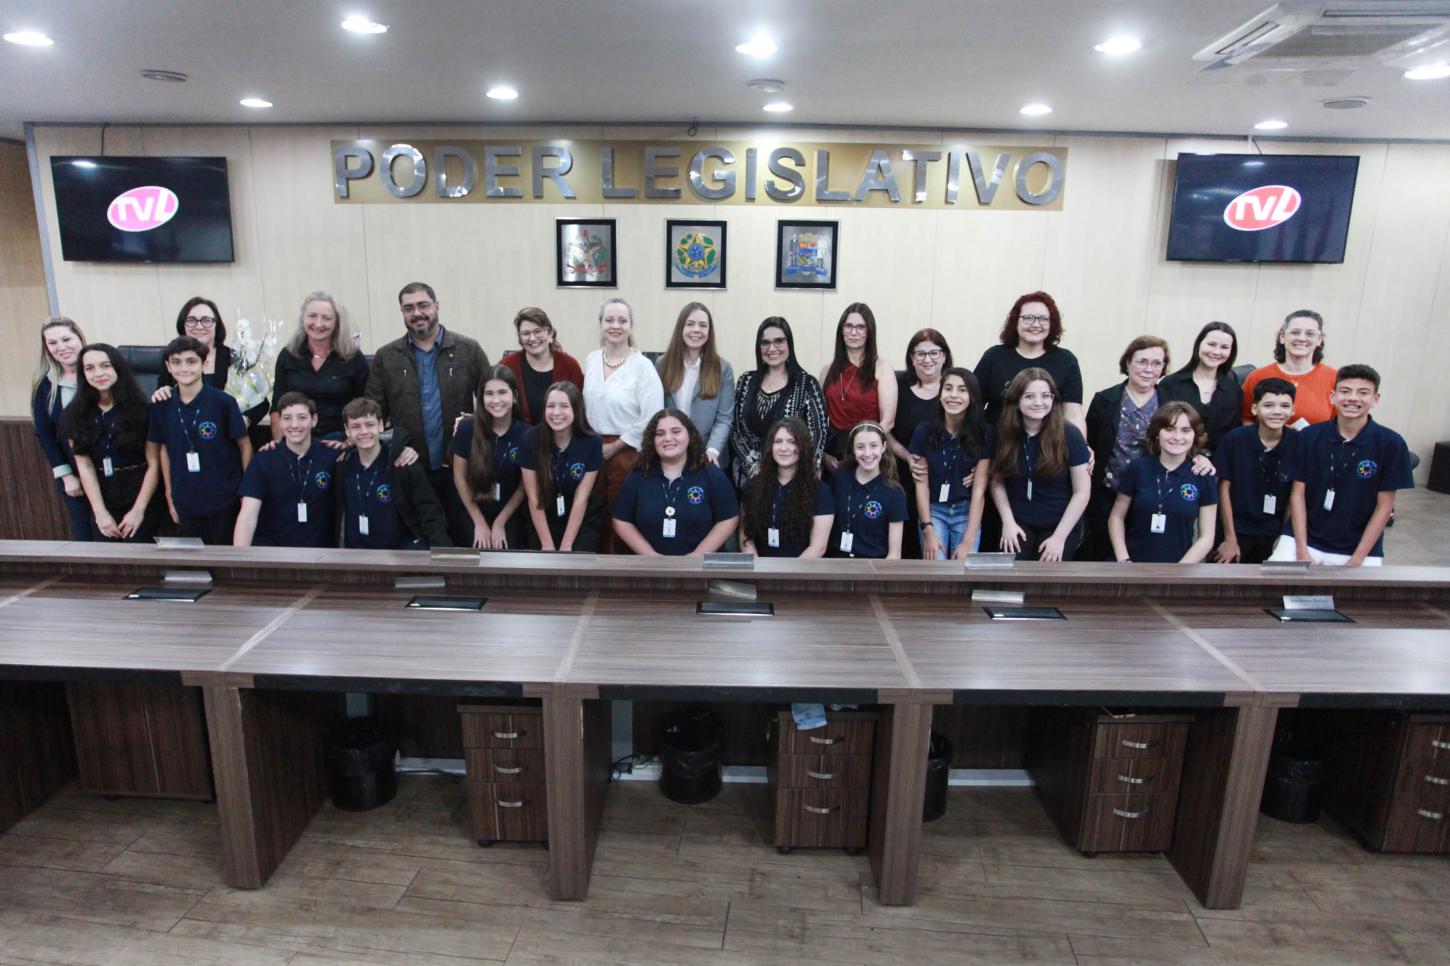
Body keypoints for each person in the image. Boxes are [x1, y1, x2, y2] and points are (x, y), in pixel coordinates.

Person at [365, 281, 490, 546]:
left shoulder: (469, 350)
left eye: (422, 305)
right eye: (408, 308)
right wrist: (395, 446)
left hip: (461, 467)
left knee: (464, 542)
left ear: (436, 306)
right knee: (423, 543)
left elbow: (493, 404)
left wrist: (477, 438)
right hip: (411, 468)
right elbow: (372, 414)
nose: (417, 313)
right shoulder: (387, 357)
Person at [1268, 364, 1414, 566]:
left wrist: (1358, 558)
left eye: (1363, 393)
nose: (1353, 398)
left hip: (1358, 546)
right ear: (1332, 396)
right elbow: (1297, 494)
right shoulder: (1308, 437)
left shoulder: (1391, 443)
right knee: (1278, 580)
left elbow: (1385, 506)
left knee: (1361, 595)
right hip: (1306, 538)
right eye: (1345, 391)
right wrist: (1302, 550)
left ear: (1375, 399)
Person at [146, 336, 253, 544]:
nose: (184, 368)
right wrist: (169, 493)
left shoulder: (223, 402)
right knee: (194, 565)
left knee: (225, 560)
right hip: (185, 499)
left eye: (191, 361)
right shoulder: (162, 405)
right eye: (176, 362)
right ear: (168, 367)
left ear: (204, 364)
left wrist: (246, 490)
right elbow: (164, 451)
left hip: (224, 498)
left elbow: (245, 446)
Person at [582, 298, 665, 552]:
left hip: (629, 454)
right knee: (593, 513)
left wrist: (615, 446)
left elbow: (652, 416)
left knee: (623, 514)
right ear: (600, 324)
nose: (615, 326)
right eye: (609, 320)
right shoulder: (591, 359)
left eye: (622, 320)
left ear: (631, 325)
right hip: (592, 450)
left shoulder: (643, 366)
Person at [60, 343, 163, 542]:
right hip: (103, 493)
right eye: (90, 368)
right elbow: (85, 466)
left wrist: (138, 511)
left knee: (140, 551)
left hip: (141, 491)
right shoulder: (73, 414)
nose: (98, 373)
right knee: (107, 555)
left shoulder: (143, 410)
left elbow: (154, 465)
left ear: (118, 368)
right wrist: (100, 513)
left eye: (105, 366)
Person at [1084, 336, 1172, 561]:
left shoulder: (1171, 403)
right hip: (1107, 493)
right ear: (1128, 363)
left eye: (1156, 363)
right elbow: (1089, 443)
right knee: (1103, 555)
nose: (1148, 369)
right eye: (1141, 361)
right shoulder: (1105, 399)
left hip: (1152, 495)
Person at [989, 369, 1091, 561]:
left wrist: (1059, 538)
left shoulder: (1070, 434)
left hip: (1060, 524)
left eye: (1045, 396)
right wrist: (1008, 522)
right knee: (1013, 576)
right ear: (1016, 400)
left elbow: (1082, 492)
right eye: (1029, 396)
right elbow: (997, 482)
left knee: (1047, 578)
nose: (1038, 402)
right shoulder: (1004, 433)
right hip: (1018, 521)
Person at [611, 409, 739, 556]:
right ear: (652, 440)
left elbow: (728, 518)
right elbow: (621, 520)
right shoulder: (638, 475)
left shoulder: (711, 474)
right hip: (649, 569)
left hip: (700, 570)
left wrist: (697, 556)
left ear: (690, 435)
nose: (668, 438)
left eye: (676, 431)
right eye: (660, 434)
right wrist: (652, 557)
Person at [1108, 402, 1219, 564]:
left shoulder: (1202, 474)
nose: (1177, 437)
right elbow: (1116, 517)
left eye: (1186, 430)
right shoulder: (1138, 468)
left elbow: (1207, 537)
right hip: (1132, 566)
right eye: (1169, 429)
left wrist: (1179, 571)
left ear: (1195, 435)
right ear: (1157, 433)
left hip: (1180, 570)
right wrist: (1124, 560)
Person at [336, 397, 451, 550]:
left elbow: (429, 511)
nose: (364, 432)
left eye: (369, 425)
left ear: (381, 425)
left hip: (397, 555)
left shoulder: (404, 464)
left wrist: (441, 551)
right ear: (347, 430)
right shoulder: (343, 465)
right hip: (355, 553)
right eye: (356, 426)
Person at [729, 317, 828, 489]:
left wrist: (809, 468)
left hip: (794, 475)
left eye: (779, 341)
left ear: (789, 344)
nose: (772, 348)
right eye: (765, 343)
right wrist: (754, 466)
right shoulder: (746, 381)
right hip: (751, 476)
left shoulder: (806, 383)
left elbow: (818, 432)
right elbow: (737, 431)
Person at [233, 392, 338, 548]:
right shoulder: (263, 459)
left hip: (319, 556)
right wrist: (241, 560)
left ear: (314, 420)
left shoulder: (333, 457)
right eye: (287, 418)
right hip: (272, 554)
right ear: (280, 422)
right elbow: (248, 515)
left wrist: (347, 445)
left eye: (302, 418)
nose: (294, 425)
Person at [974, 292, 1085, 437]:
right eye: (1028, 318)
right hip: (997, 446)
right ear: (1015, 322)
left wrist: (1081, 448)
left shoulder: (1066, 360)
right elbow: (974, 405)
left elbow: (1073, 414)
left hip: (1048, 449)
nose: (1036, 324)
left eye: (1043, 319)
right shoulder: (994, 356)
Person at [1214, 378, 1298, 564]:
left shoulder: (1298, 443)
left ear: (1293, 410)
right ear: (1254, 409)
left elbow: (1296, 495)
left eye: (1284, 406)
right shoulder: (1235, 440)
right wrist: (1230, 539)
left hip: (1274, 530)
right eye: (1268, 405)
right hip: (1236, 529)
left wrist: (1284, 538)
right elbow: (1223, 490)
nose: (1277, 411)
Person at [910, 368, 988, 560]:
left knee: (963, 570)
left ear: (972, 396)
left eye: (962, 390)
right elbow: (921, 484)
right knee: (936, 572)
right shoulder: (924, 430)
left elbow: (979, 492)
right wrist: (927, 529)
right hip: (934, 511)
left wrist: (968, 542)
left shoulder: (984, 433)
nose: (953, 395)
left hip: (966, 512)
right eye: (948, 388)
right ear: (940, 393)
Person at [519, 382, 606, 552]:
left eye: (564, 406)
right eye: (550, 406)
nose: (556, 412)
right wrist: (547, 544)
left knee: (576, 562)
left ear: (576, 409)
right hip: (543, 517)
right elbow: (534, 497)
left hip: (580, 519)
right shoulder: (530, 440)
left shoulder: (593, 443)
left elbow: (582, 498)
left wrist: (567, 545)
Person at [269, 291, 369, 441]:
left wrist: (350, 443)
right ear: (303, 318)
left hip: (339, 441)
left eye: (327, 318)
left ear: (337, 323)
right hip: (296, 439)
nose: (318, 324)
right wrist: (280, 446)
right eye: (312, 316)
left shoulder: (353, 357)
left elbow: (366, 407)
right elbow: (277, 407)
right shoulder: (288, 355)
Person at [155, 296, 268, 427]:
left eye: (206, 320)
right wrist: (164, 392)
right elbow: (162, 396)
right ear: (183, 325)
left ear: (217, 325)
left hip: (227, 435)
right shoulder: (172, 358)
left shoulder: (235, 359)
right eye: (191, 320)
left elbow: (260, 403)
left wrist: (244, 420)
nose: (199, 326)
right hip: (183, 431)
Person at [452, 366, 530, 549]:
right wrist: (479, 522)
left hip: (510, 511)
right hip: (472, 508)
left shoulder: (527, 434)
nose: (496, 400)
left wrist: (500, 522)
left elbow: (523, 486)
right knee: (477, 549)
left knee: (506, 549)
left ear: (514, 395)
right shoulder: (466, 429)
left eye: (502, 392)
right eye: (489, 394)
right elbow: (459, 478)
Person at [892, 329, 952, 559]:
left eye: (934, 353)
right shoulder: (899, 389)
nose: (927, 359)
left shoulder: (954, 390)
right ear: (911, 358)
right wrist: (907, 457)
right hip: (905, 475)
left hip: (944, 482)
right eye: (920, 354)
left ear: (944, 356)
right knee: (907, 544)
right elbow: (885, 430)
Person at [31, 316, 91, 540]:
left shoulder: (101, 371)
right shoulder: (46, 384)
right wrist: (66, 475)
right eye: (53, 343)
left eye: (67, 339)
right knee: (86, 538)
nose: (61, 347)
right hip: (75, 474)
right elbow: (45, 435)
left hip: (114, 473)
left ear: (80, 337)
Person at [739, 418, 834, 558]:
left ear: (803, 446)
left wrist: (788, 577)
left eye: (792, 442)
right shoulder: (753, 486)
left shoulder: (820, 491)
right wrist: (758, 571)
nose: (784, 448)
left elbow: (818, 547)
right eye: (778, 442)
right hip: (760, 572)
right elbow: (745, 538)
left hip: (800, 574)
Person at [657, 302, 735, 469]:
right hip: (670, 453)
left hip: (707, 455)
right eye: (690, 324)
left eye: (703, 325)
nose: (696, 330)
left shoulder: (722, 368)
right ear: (681, 328)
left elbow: (724, 418)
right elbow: (657, 411)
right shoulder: (662, 364)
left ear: (709, 331)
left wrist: (712, 450)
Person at [820, 303, 898, 470]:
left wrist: (862, 449)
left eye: (860, 327)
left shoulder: (882, 368)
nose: (854, 332)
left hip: (869, 452)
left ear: (869, 332)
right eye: (848, 326)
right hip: (833, 455)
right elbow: (818, 420)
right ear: (841, 330)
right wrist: (823, 455)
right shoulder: (827, 370)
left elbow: (888, 422)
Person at [1240, 309, 1337, 427]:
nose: (1301, 338)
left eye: (1310, 334)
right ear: (1282, 336)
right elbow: (1245, 419)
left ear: (1319, 339)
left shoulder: (1334, 378)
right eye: (1295, 332)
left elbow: (1339, 425)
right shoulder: (1257, 377)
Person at [1157, 321, 1242, 453]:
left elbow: (1233, 436)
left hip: (1218, 464)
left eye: (1224, 347)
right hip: (1176, 459)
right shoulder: (1171, 384)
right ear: (1199, 345)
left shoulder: (1234, 390)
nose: (1216, 352)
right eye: (1211, 344)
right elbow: (1161, 429)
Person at [829, 422, 908, 559]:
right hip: (837, 561)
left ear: (883, 447)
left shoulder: (894, 492)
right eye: (860, 447)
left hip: (873, 566)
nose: (867, 453)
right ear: (853, 449)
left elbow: (894, 554)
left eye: (873, 446)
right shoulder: (839, 478)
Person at [500, 307, 584, 424]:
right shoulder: (507, 366)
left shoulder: (569, 365)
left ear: (550, 334)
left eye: (538, 331)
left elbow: (579, 410)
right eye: (525, 333)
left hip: (562, 439)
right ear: (520, 338)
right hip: (520, 439)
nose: (532, 338)